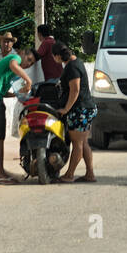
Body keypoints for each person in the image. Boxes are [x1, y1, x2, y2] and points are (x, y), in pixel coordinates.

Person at [0, 35, 35, 184]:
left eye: (31, 64)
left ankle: (1, 171)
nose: (28, 64)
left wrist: (14, 95)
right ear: (22, 53)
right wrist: (28, 80)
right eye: (29, 60)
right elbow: (13, 65)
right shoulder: (15, 58)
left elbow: (1, 87)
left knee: (0, 138)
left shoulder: (13, 67)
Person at [51, 41, 96, 183]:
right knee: (84, 142)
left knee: (78, 144)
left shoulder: (72, 67)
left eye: (54, 57)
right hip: (86, 108)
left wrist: (66, 109)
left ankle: (69, 175)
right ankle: (90, 174)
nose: (54, 60)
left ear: (58, 56)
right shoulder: (77, 62)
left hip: (79, 109)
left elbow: (75, 90)